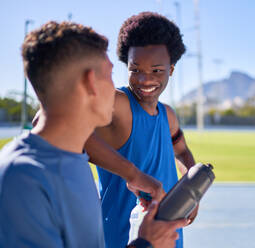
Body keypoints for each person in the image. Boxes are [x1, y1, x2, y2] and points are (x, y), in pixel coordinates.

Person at [0, 21, 186, 248]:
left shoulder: (75, 162)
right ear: (91, 82)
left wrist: (133, 175)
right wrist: (145, 243)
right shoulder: (23, 177)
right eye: (109, 75)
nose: (117, 87)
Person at [84, 12, 198, 248]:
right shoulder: (118, 103)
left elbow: (183, 151)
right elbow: (46, 120)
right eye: (135, 69)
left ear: (171, 69)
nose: (145, 80)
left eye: (156, 70)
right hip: (122, 238)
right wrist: (133, 175)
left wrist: (191, 190)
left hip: (167, 239)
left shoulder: (168, 116)